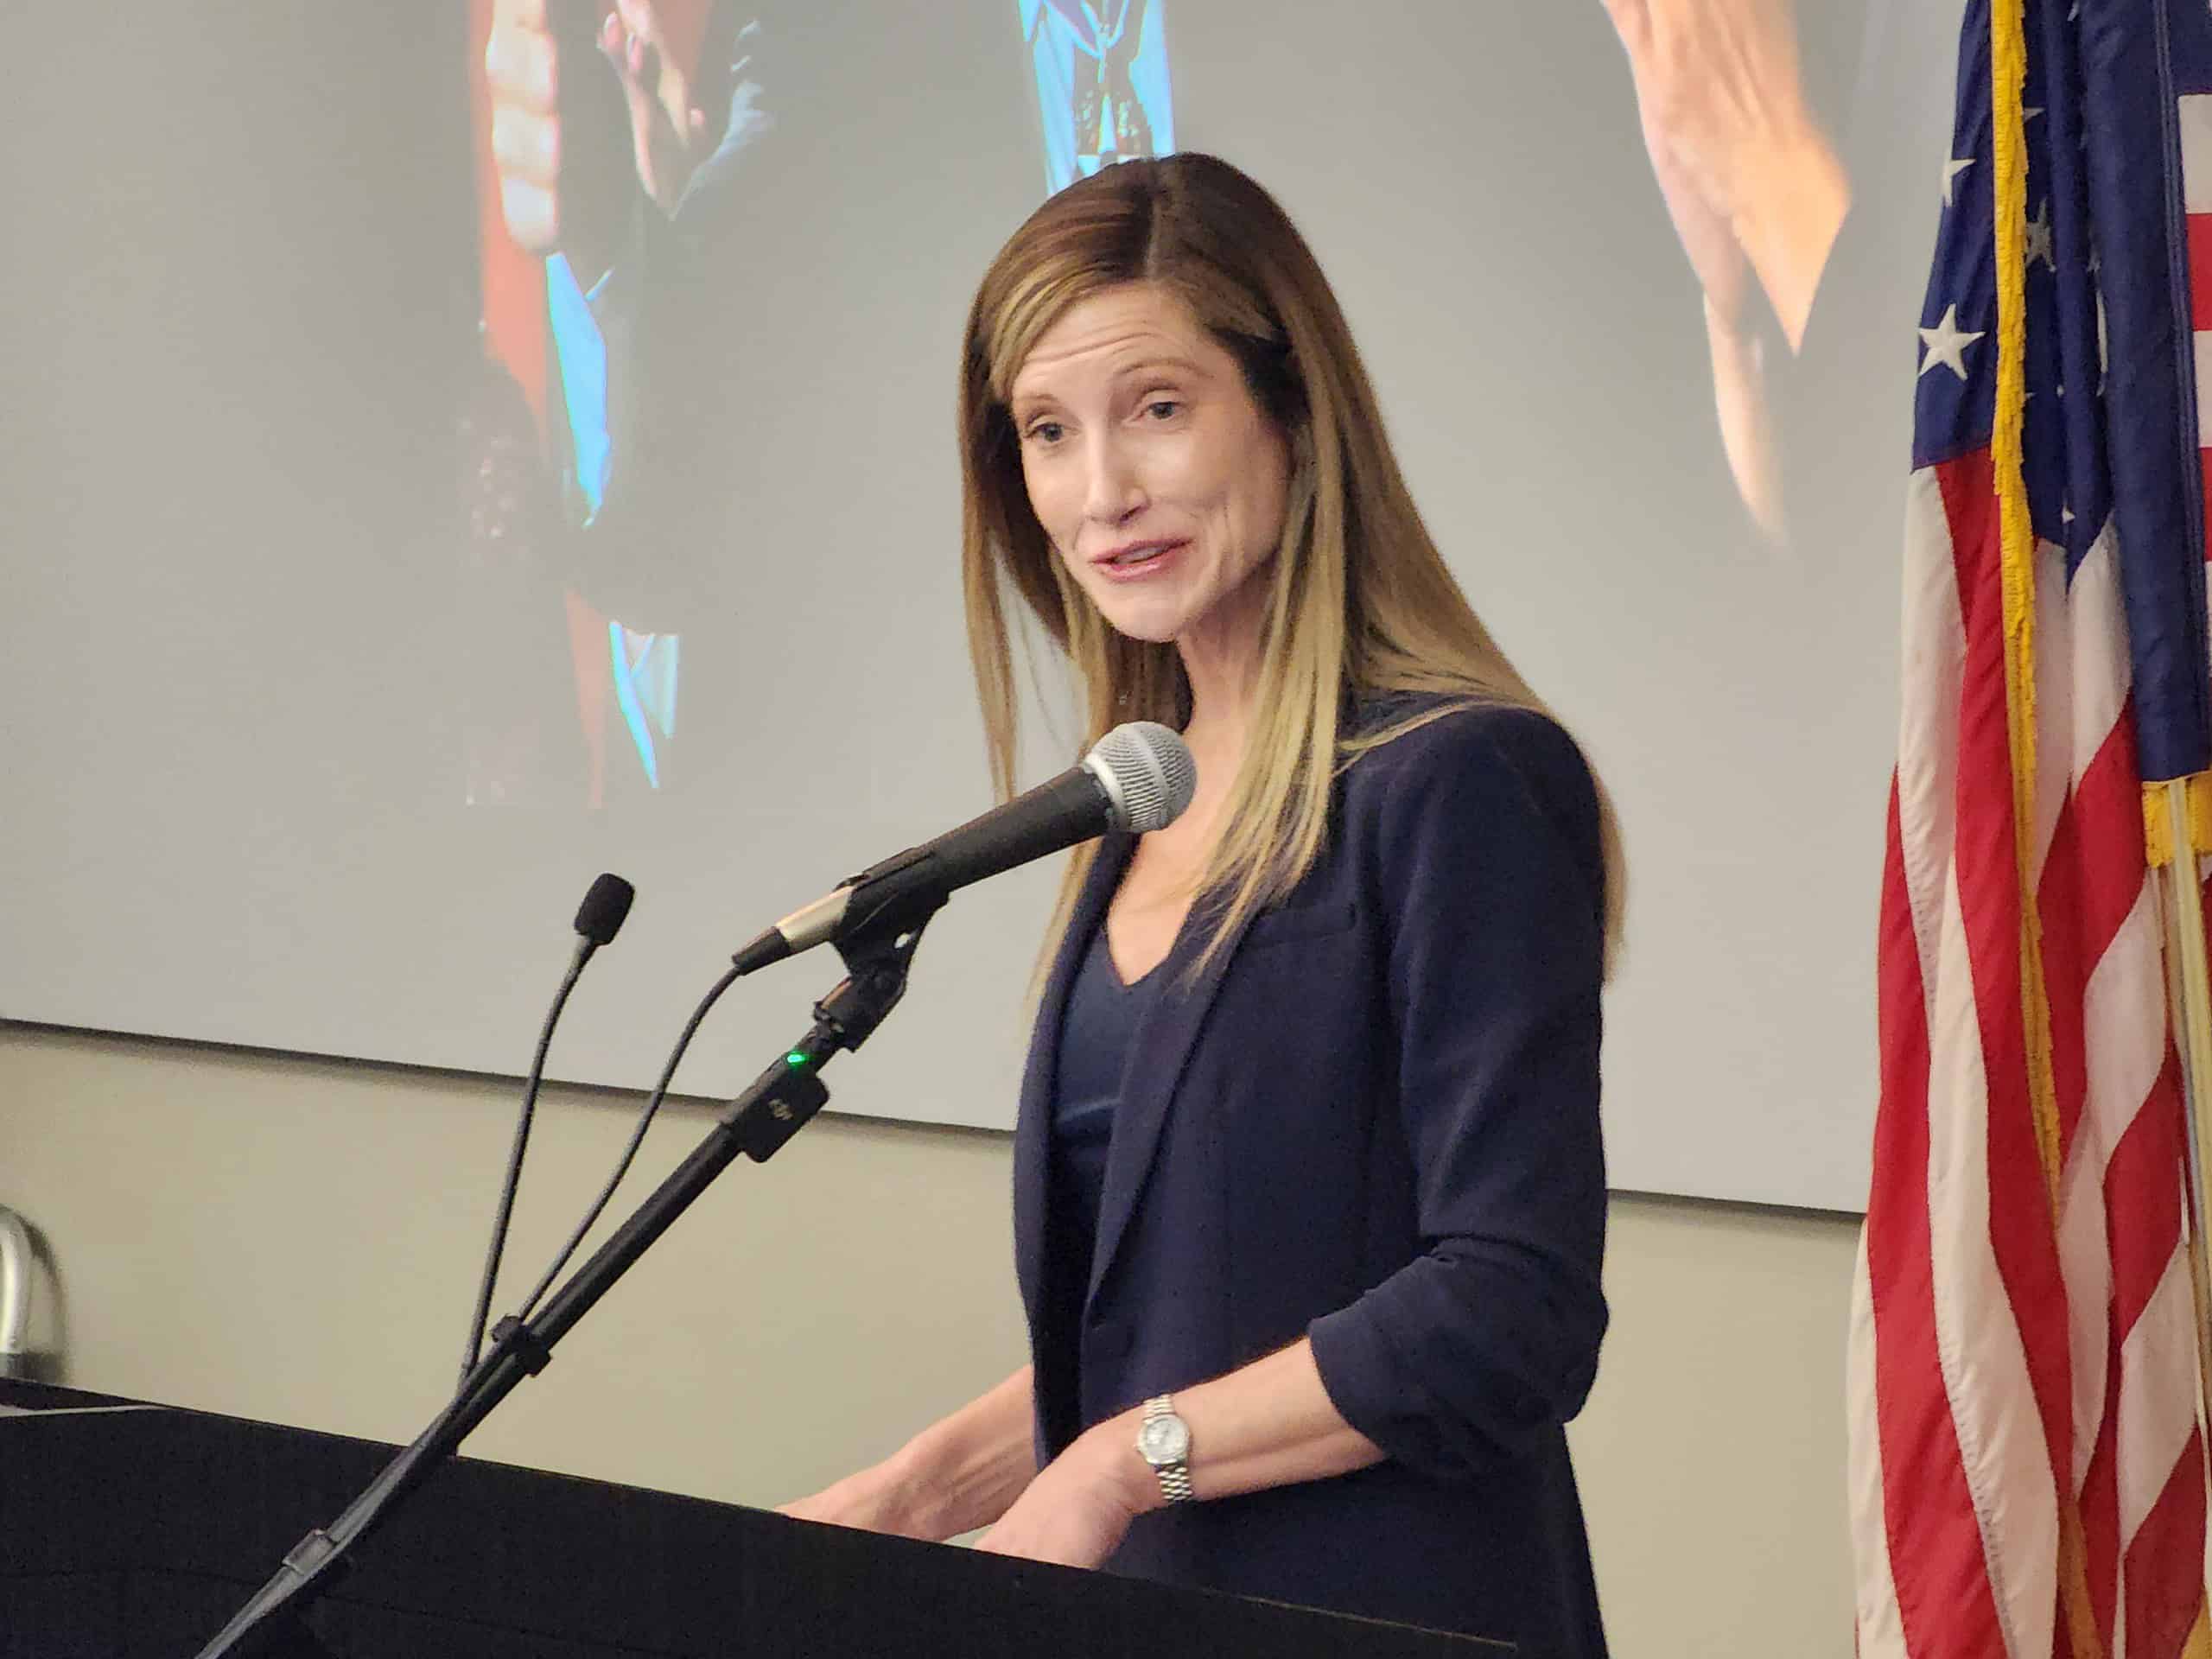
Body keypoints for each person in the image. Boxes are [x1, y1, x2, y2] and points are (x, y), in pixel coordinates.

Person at [782, 152, 1624, 1653]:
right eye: (1048, 433)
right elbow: (1175, 1329)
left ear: (1292, 411)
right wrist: (913, 1496)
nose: (1101, 492)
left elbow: (1510, 1307)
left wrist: (1120, 1466)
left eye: (1157, 409)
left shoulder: (1461, 782)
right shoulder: (1133, 804)